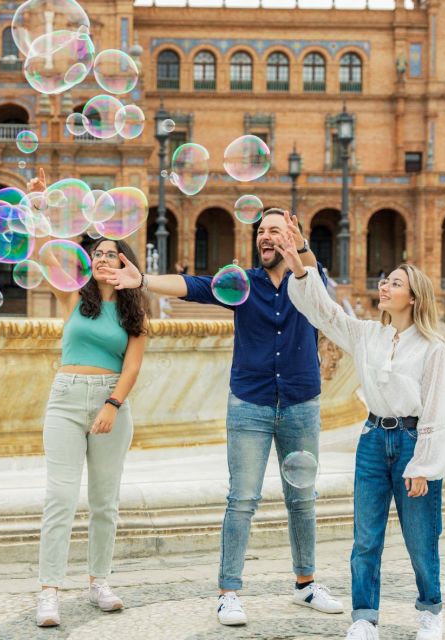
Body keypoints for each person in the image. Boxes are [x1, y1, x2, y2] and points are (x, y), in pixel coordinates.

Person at [103, 208, 343, 626]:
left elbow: (315, 277)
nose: (266, 237)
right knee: (242, 499)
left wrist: (298, 246)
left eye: (276, 231)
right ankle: (228, 592)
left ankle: (306, 584)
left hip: (301, 402)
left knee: (302, 497)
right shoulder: (243, 283)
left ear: (292, 236)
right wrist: (143, 279)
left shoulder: (309, 279)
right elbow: (192, 286)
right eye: (262, 231)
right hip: (250, 402)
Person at [275, 213, 445, 640]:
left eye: (393, 283)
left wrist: (423, 464)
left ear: (412, 297)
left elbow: (435, 409)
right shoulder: (367, 334)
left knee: (421, 539)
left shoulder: (432, 347)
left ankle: (430, 612)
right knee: (365, 538)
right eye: (384, 281)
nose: (384, 287)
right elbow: (323, 312)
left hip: (412, 443)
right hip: (373, 439)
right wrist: (300, 261)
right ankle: (364, 617)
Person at [28, 170, 149, 627]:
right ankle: (49, 590)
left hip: (110, 403)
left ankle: (99, 580)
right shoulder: (74, 298)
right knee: (59, 496)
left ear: (125, 265)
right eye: (96, 253)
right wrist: (39, 209)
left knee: (104, 500)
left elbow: (133, 365)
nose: (102, 259)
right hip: (64, 399)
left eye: (111, 255)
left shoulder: (135, 309)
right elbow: (45, 256)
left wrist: (111, 406)